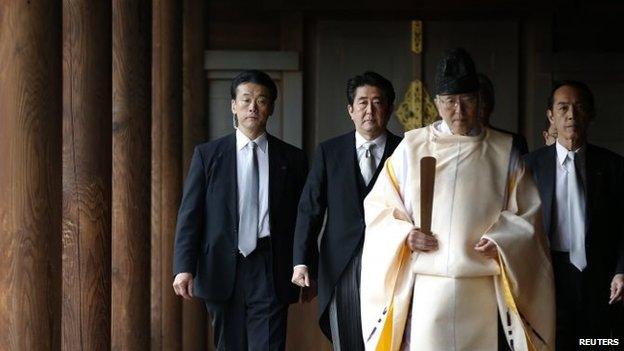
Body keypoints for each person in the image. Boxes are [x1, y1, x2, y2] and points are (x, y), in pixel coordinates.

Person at [360, 48, 555, 351]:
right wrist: (406, 235)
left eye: (466, 101)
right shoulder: (412, 147)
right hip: (427, 285)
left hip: (481, 284)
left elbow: (528, 214)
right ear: (437, 103)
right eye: (450, 102)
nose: (459, 111)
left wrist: (502, 239)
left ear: (479, 101)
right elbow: (378, 208)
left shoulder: (504, 152)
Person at [171, 70, 308, 350]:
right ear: (233, 105)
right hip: (222, 264)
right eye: (245, 100)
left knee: (268, 345)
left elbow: (304, 218)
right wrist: (183, 267)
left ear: (271, 108)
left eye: (261, 100)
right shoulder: (208, 155)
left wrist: (305, 263)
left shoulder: (292, 158)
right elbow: (190, 216)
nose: (252, 107)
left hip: (271, 264)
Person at [291, 71, 402, 350]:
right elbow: (310, 209)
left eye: (378, 102)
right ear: (350, 110)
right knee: (348, 340)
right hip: (342, 266)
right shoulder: (330, 152)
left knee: (393, 341)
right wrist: (302, 261)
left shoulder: (406, 151)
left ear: (389, 108)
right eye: (362, 102)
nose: (369, 110)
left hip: (394, 264)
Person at [524, 81, 624, 350]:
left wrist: (621, 271)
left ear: (590, 114)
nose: (571, 115)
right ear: (551, 116)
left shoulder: (614, 166)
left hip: (600, 277)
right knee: (553, 343)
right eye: (563, 108)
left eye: (579, 108)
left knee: (599, 344)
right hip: (548, 275)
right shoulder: (530, 166)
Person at [478, 73, 529, 154]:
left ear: (492, 103)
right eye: (478, 101)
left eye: (485, 99)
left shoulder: (516, 142)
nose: (483, 105)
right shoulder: (454, 145)